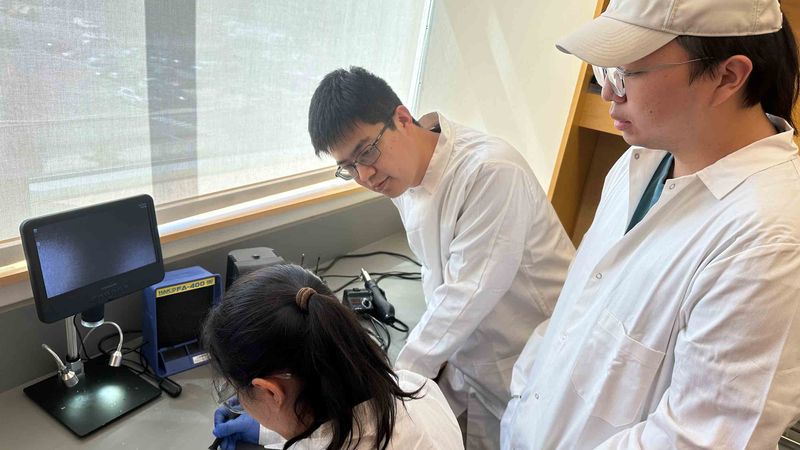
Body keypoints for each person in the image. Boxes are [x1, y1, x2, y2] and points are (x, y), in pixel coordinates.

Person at [502, 0, 800, 448]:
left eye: (626, 74)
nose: (608, 94)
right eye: (604, 73)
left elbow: (698, 438)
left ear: (728, 76)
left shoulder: (767, 239)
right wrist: (522, 403)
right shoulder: (638, 163)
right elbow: (573, 310)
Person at [307, 67, 575, 449]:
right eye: (348, 167)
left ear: (402, 119)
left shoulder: (489, 172)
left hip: (531, 362)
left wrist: (392, 385)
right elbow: (444, 276)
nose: (364, 174)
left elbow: (468, 292)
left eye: (366, 151)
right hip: (470, 361)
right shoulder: (401, 175)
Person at [204, 264, 464, 450]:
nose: (239, 401)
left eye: (236, 392)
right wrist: (268, 429)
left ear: (272, 392)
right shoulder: (419, 390)